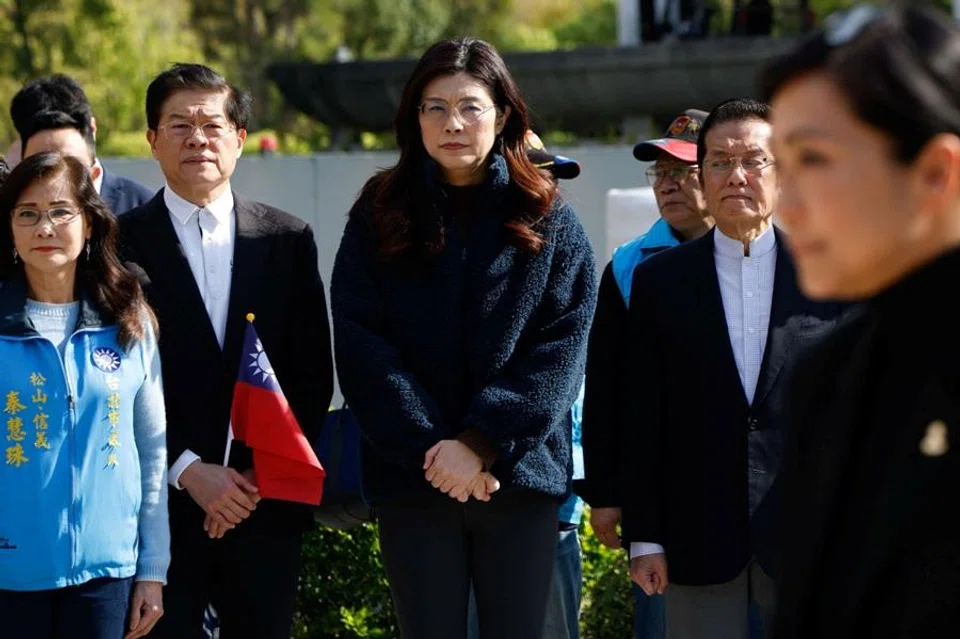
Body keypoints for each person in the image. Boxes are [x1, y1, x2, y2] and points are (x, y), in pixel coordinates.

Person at [331, 39, 597, 639]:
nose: (452, 123)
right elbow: (360, 342)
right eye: (435, 107)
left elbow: (561, 348)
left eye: (470, 107)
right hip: (413, 478)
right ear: (413, 116)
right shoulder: (379, 211)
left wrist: (480, 442)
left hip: (516, 478)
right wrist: (434, 448)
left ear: (502, 114)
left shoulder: (548, 214)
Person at [761, 4, 960, 637]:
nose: (786, 205)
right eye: (781, 167)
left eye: (813, 160)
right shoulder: (828, 372)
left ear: (935, 171)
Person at [119, 63, 334, 639]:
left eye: (212, 125)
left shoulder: (287, 240)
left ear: (239, 139)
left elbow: (311, 374)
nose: (197, 139)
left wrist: (251, 477)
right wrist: (188, 471)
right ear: (152, 140)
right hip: (159, 510)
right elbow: (111, 381)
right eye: (179, 125)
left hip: (263, 504)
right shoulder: (114, 244)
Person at [620, 98, 843, 639]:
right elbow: (642, 413)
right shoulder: (659, 283)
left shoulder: (830, 272)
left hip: (808, 536)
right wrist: (645, 537)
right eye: (719, 161)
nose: (735, 175)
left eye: (753, 160)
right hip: (697, 535)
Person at [0, 152, 168, 639]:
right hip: (10, 575)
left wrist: (152, 568)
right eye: (27, 213)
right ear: (10, 228)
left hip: (106, 575)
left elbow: (150, 450)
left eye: (60, 211)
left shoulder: (128, 319)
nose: (44, 226)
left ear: (90, 224)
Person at [577, 108, 712, 639]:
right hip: (659, 492)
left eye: (683, 170)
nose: (668, 185)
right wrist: (607, 491)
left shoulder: (764, 255)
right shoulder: (629, 265)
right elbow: (606, 385)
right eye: (660, 173)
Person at [465, 130, 584, 639]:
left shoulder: (570, 256)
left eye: (550, 174)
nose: (543, 185)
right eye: (529, 171)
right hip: (459, 497)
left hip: (548, 509)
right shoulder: (472, 267)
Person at [10, 75, 155, 214]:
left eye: (69, 162)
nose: (57, 178)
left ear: (92, 129)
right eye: (41, 167)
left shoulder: (144, 209)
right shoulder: (9, 214)